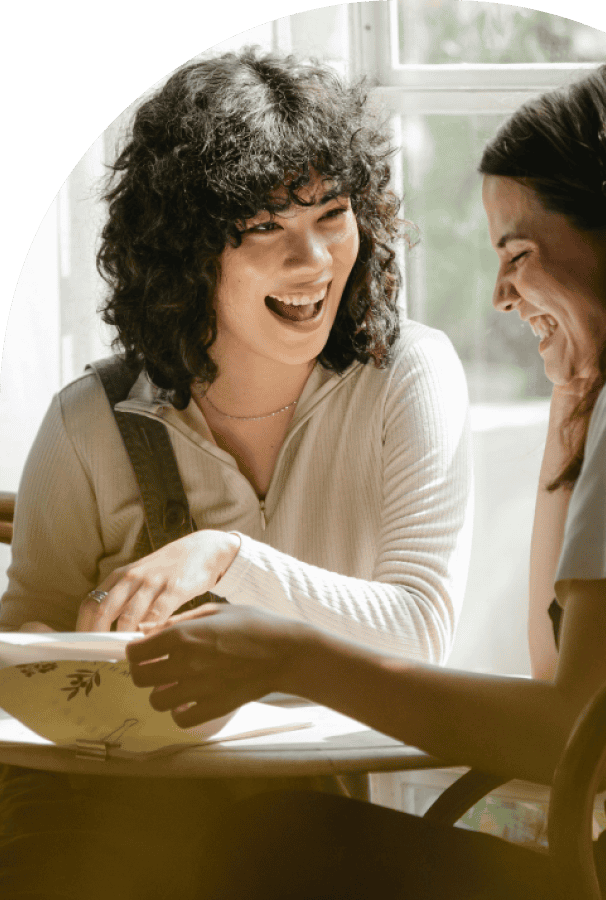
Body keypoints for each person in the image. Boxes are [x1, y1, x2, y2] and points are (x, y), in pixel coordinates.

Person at [128, 62, 606, 900]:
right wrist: (572, 398)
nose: (502, 294)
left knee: (276, 838)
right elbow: (561, 678)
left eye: (518, 253)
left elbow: (582, 734)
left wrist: (291, 656)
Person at [0, 49, 471, 900]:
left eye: (332, 214)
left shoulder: (409, 374)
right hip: (109, 820)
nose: (314, 260)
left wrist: (224, 557)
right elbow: (26, 648)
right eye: (263, 229)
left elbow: (420, 636)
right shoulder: (87, 420)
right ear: (183, 253)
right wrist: (78, 655)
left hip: (312, 824)